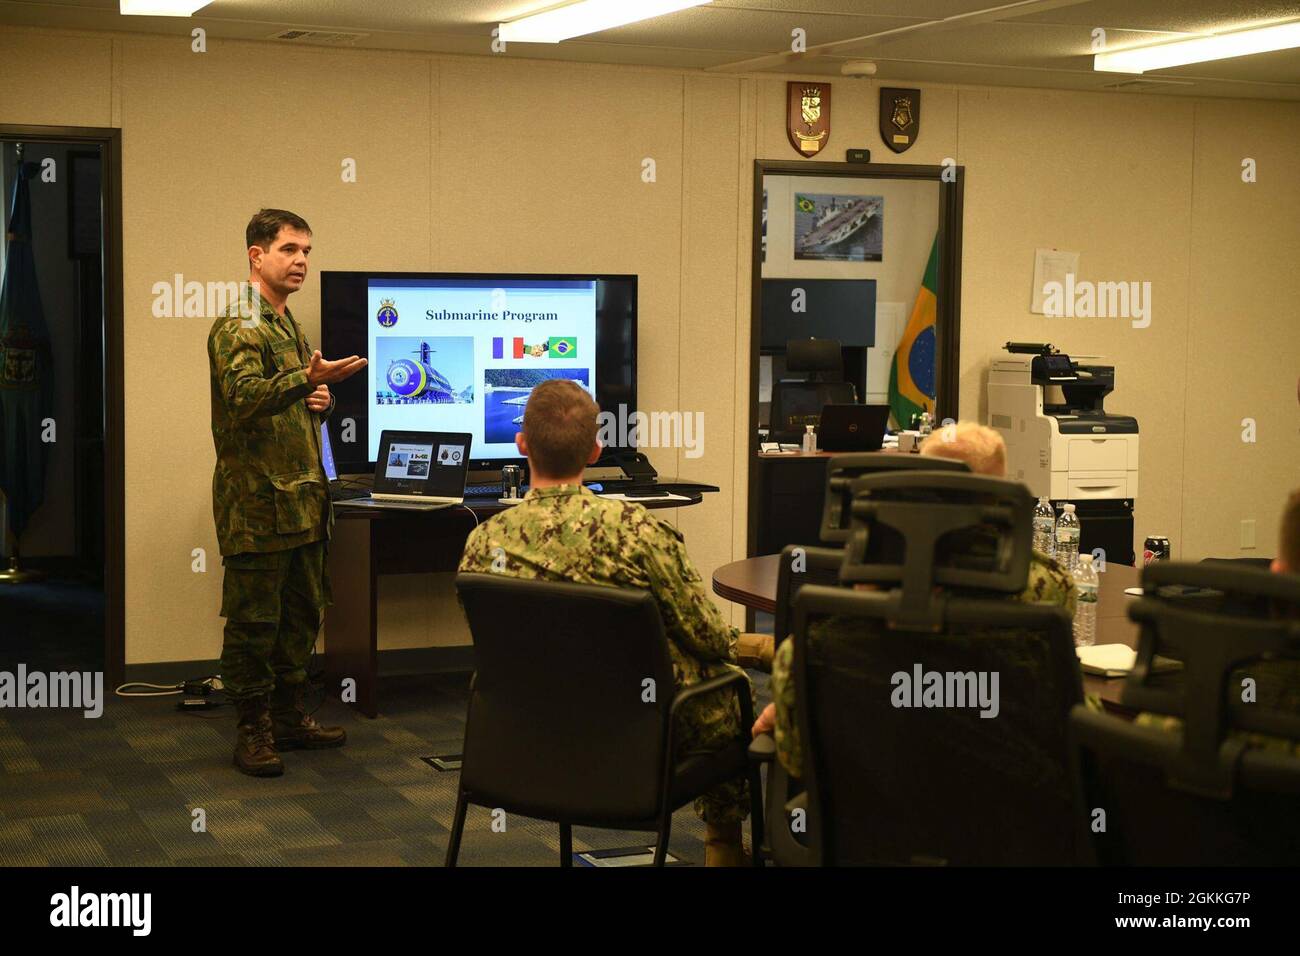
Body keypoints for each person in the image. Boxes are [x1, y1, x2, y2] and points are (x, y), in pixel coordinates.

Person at [458, 379, 752, 865]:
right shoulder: (637, 532)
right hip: (633, 741)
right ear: (595, 450)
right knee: (733, 690)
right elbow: (705, 637)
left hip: (517, 741)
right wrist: (753, 647)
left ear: (522, 445)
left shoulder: (482, 543)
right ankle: (721, 847)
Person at [755, 421, 1077, 777]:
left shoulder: (856, 592)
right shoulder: (1047, 586)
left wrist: (792, 695)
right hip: (1006, 813)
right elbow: (1060, 723)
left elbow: (799, 761)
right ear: (1000, 495)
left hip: (871, 819)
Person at [208, 209, 367, 777]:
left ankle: (289, 717)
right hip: (256, 507)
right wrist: (308, 380)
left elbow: (289, 403)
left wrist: (317, 402)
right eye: (289, 250)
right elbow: (245, 396)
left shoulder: (287, 324)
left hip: (302, 502)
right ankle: (252, 731)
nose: (301, 261)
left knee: (301, 615)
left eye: (306, 250)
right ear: (257, 256)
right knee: (255, 622)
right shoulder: (240, 324)